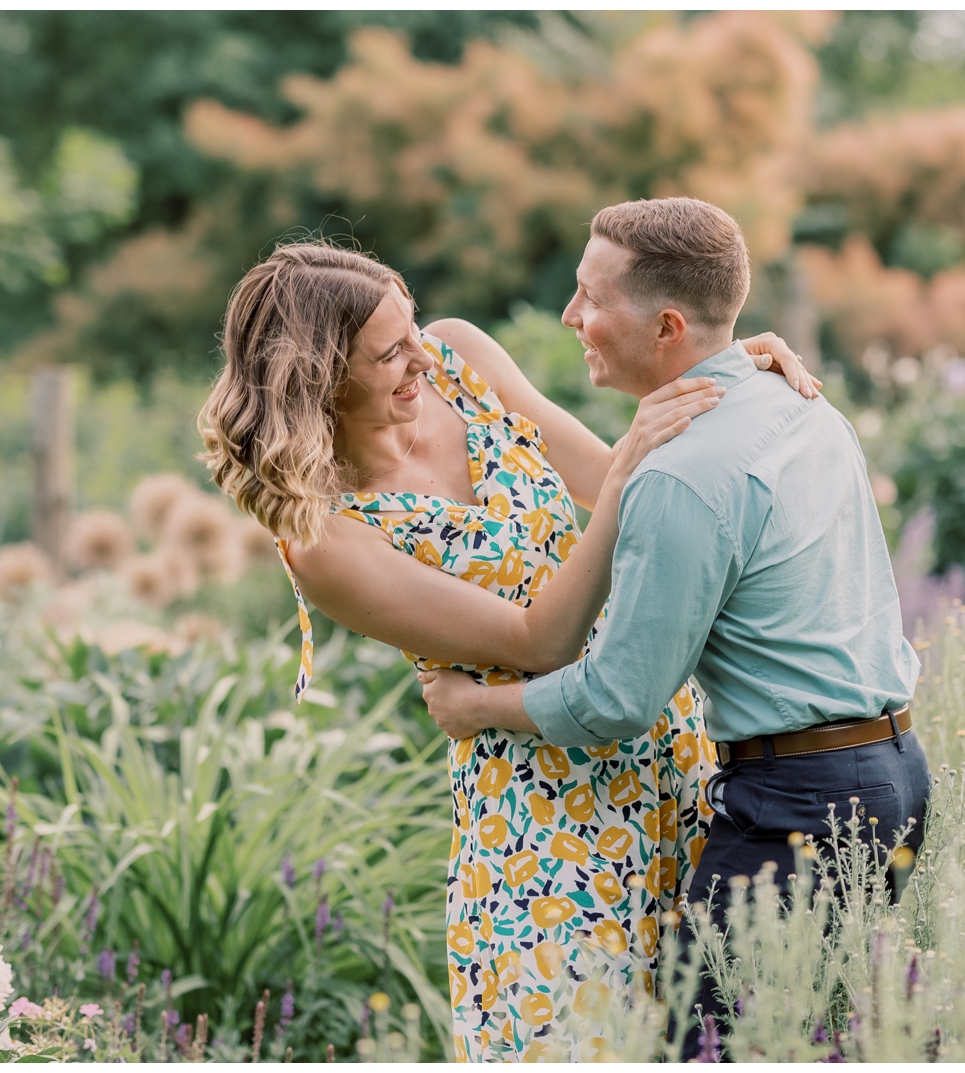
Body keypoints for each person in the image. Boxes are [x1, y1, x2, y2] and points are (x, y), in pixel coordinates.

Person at [196, 240, 822, 1062]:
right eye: (389, 353)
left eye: (412, 326)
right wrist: (629, 466)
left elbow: (610, 486)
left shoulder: (462, 356)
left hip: (670, 755)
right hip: (542, 817)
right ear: (318, 377)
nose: (421, 355)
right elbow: (543, 639)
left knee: (712, 1036)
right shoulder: (326, 536)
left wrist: (722, 366)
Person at [415, 197, 932, 1054]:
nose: (570, 315)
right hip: (892, 776)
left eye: (590, 297)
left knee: (715, 1046)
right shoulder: (803, 406)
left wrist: (477, 708)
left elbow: (618, 696)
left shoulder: (682, 476)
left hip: (798, 806)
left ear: (665, 325)